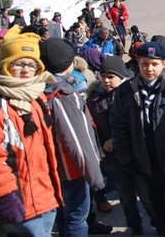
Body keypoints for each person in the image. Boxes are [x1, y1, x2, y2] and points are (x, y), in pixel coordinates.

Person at [110, 42, 165, 237]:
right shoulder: (125, 91)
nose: (149, 69)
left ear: (163, 64)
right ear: (137, 64)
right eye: (144, 64)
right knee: (158, 204)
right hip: (144, 158)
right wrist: (126, 158)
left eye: (154, 64)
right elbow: (119, 127)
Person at [0, 26, 62, 237]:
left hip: (45, 193)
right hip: (20, 200)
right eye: (18, 64)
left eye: (31, 64)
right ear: (5, 65)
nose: (26, 70)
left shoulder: (35, 96)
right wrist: (3, 196)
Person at [38, 37, 107, 236]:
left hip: (52, 167)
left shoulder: (39, 89)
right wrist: (96, 178)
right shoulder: (63, 95)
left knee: (62, 215)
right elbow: (77, 140)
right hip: (72, 169)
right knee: (77, 218)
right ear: (69, 62)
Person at [87, 55, 160, 235]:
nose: (106, 81)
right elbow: (92, 129)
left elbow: (140, 125)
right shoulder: (93, 101)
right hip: (112, 160)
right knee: (126, 198)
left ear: (121, 77)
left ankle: (160, 224)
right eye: (103, 76)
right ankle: (135, 226)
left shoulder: (132, 96)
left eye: (111, 77)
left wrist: (117, 140)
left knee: (147, 196)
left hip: (135, 156)